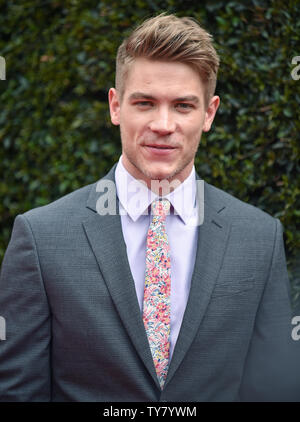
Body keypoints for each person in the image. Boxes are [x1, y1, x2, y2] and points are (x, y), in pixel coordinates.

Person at [0, 13, 299, 402]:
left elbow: (273, 391)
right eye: (145, 103)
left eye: (183, 106)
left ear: (209, 113)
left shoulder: (259, 237)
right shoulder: (41, 238)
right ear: (115, 106)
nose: (163, 123)